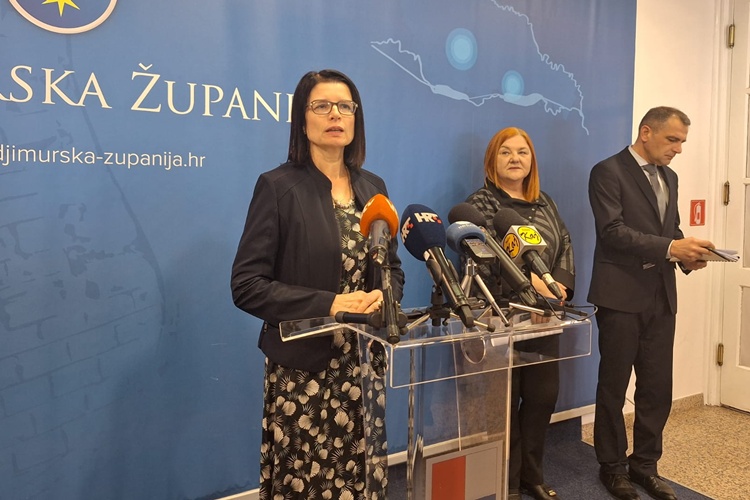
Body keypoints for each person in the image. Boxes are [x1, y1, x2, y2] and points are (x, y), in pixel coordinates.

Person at [231, 69, 404, 500]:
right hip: (302, 373)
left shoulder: (373, 187)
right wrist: (331, 303)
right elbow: (247, 285)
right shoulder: (278, 187)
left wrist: (384, 296)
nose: (335, 115)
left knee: (359, 482)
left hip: (361, 365)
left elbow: (392, 269)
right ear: (302, 119)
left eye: (345, 106)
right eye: (322, 106)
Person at [588, 106, 713, 500]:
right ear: (646, 132)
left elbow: (669, 231)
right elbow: (612, 232)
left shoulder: (670, 177)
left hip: (661, 296)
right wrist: (672, 247)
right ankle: (612, 468)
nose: (678, 149)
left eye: (682, 142)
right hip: (619, 296)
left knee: (657, 388)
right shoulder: (607, 171)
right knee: (614, 387)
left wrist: (689, 255)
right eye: (672, 139)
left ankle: (645, 466)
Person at [466, 127, 575, 500]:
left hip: (546, 317)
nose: (515, 159)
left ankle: (532, 475)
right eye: (506, 152)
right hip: (501, 317)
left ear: (532, 161)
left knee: (543, 397)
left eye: (522, 152)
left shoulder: (545, 203)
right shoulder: (480, 205)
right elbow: (483, 258)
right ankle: (506, 482)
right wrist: (533, 289)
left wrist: (558, 289)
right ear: (491, 161)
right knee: (504, 404)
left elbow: (565, 244)